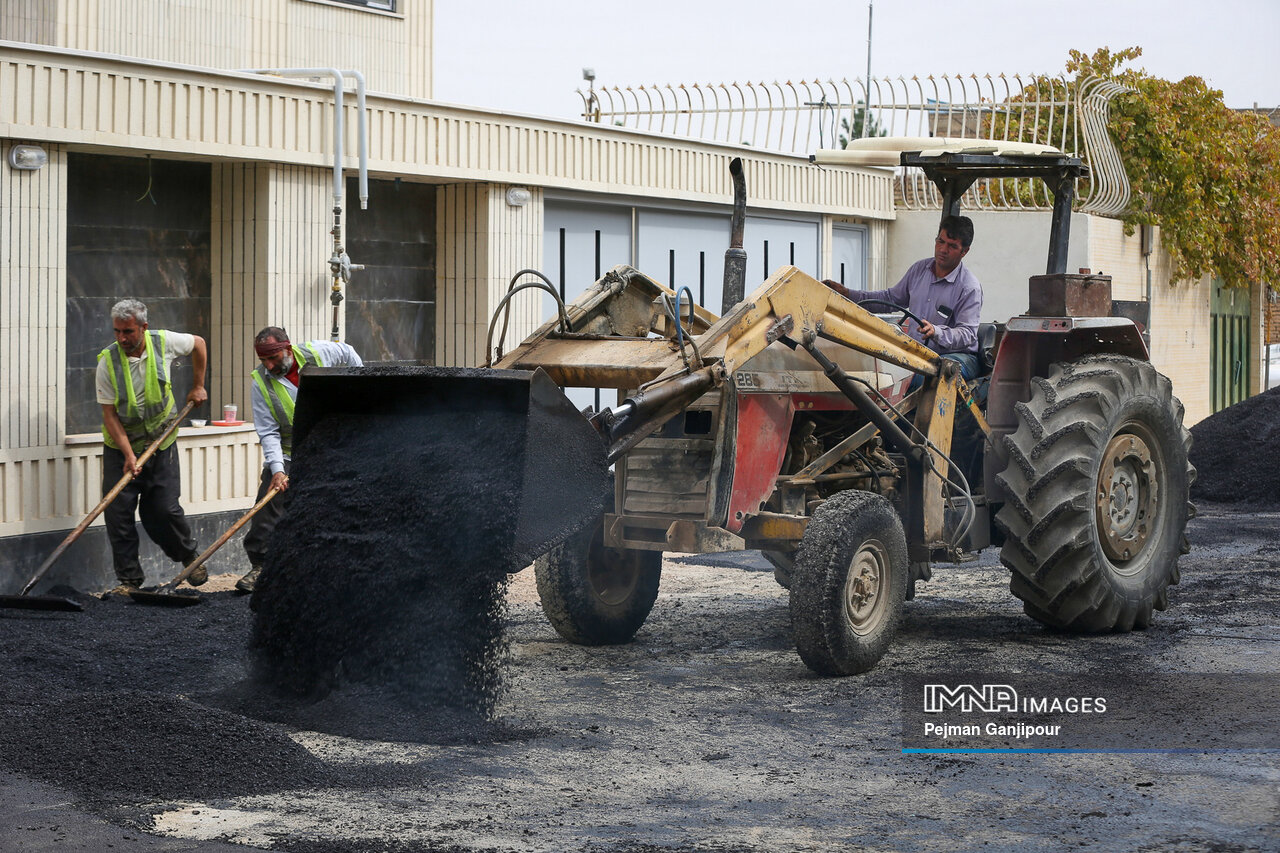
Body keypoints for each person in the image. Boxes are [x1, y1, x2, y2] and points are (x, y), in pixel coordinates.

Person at [237, 326, 363, 593]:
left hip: (331, 448)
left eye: (274, 358)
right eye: (264, 361)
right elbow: (268, 431)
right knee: (268, 506)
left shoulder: (318, 353)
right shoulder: (260, 384)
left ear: (288, 348)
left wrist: (360, 388)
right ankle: (261, 567)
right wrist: (278, 471)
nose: (269, 365)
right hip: (290, 452)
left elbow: (349, 353)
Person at [97, 299, 208, 596]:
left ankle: (188, 556)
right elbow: (109, 415)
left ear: (143, 328)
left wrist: (198, 385)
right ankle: (129, 581)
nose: (122, 338)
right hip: (121, 446)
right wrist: (129, 455)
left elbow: (198, 343)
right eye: (117, 331)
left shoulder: (164, 342)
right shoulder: (107, 363)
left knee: (162, 510)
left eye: (128, 332)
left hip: (162, 439)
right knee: (118, 514)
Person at [824, 214, 982, 384]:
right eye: (940, 241)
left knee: (919, 379)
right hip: (919, 354)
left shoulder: (969, 287)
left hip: (958, 356)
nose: (943, 249)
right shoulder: (919, 270)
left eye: (952, 246)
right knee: (879, 373)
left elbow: (967, 335)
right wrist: (848, 294)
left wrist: (937, 332)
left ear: (964, 251)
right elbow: (890, 298)